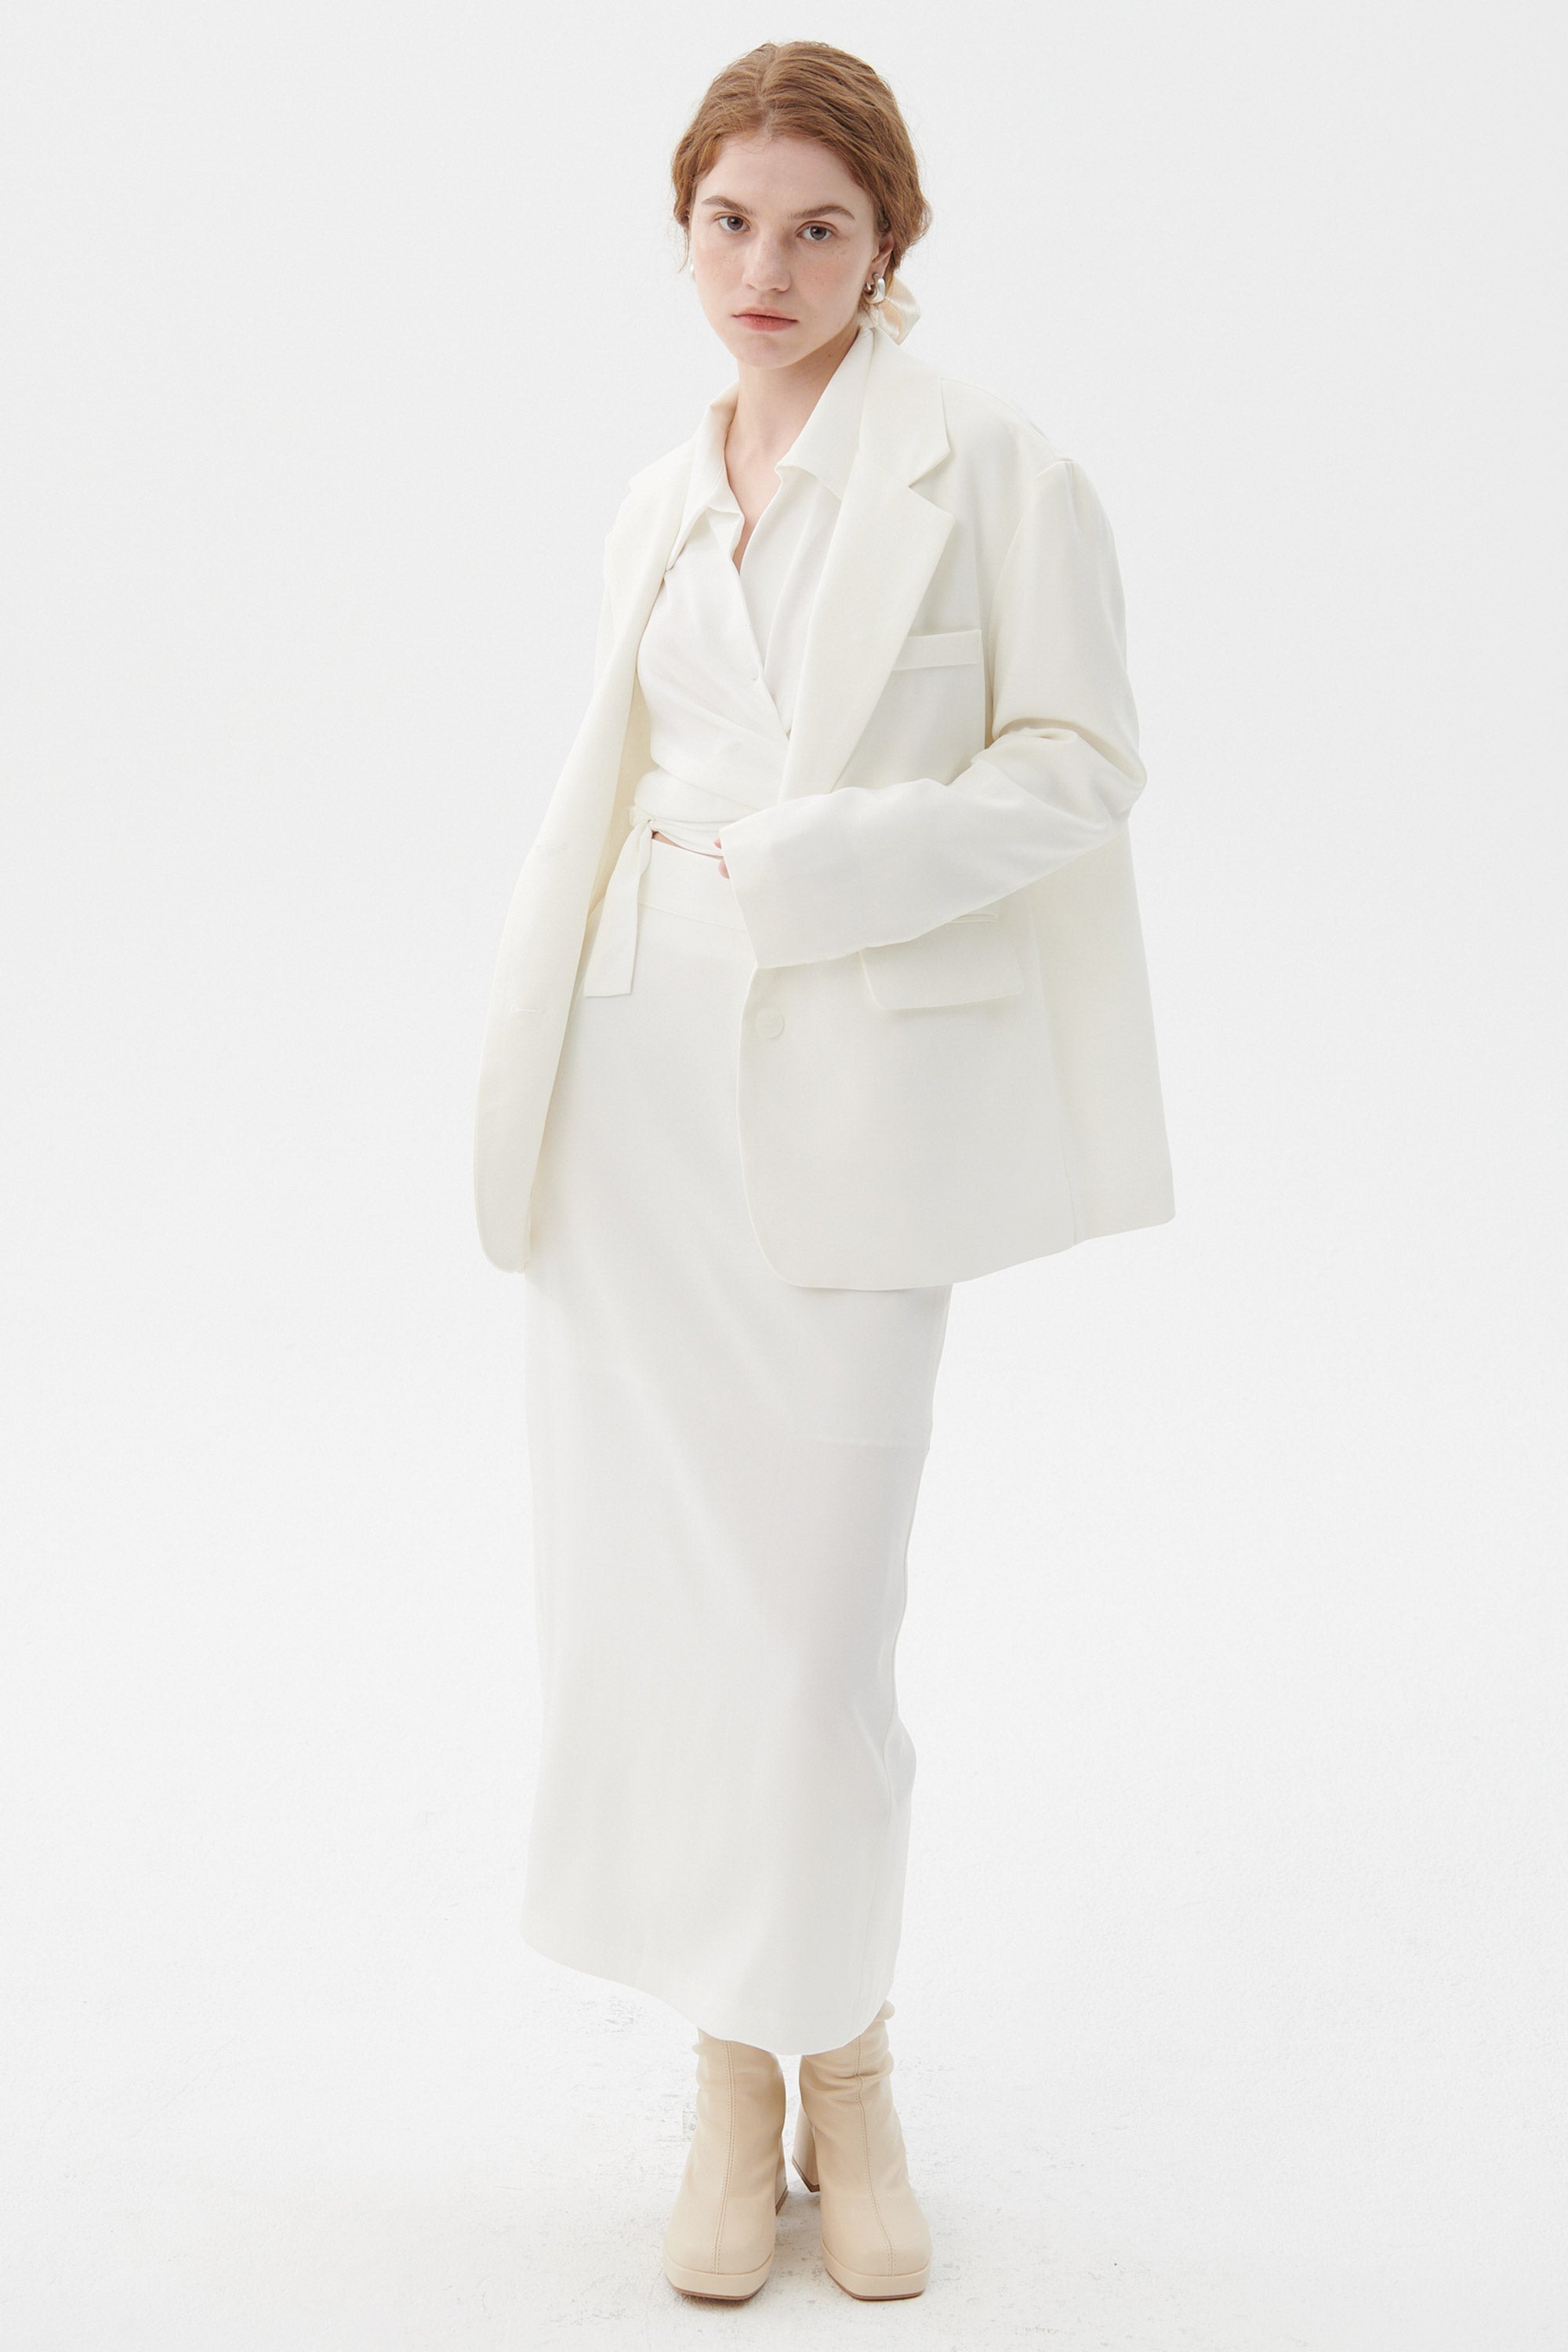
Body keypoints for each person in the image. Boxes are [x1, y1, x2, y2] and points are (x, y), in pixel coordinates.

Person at [472, 39, 1174, 2306]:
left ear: (890, 245)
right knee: (668, 1617)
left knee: (813, 1631)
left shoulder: (994, 471)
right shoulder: (656, 498)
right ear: (680, 226)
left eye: (816, 228)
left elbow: (1083, 763)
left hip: (855, 1098)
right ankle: (726, 2078)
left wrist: (822, 865)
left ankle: (846, 2071)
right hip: (636, 1095)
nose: (762, 267)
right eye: (727, 221)